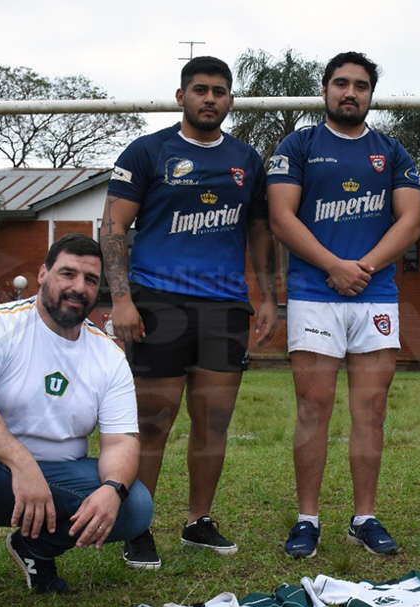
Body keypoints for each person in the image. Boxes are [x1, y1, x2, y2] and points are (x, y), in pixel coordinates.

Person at [0, 234, 153, 607]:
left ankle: (34, 548)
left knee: (135, 506)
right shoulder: (0, 324)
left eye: (91, 280)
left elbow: (122, 441)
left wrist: (113, 489)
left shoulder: (108, 356)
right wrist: (21, 463)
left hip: (57, 481)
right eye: (68, 273)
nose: (79, 287)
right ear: (43, 274)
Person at [102, 56, 278, 568]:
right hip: (157, 302)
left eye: (219, 91)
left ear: (230, 100)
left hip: (224, 307)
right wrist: (120, 297)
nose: (210, 99)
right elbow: (113, 228)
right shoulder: (148, 151)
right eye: (200, 90)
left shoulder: (247, 159)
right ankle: (138, 525)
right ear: (181, 96)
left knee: (214, 421)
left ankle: (198, 520)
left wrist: (267, 297)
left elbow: (260, 232)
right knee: (153, 421)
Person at [267, 51, 420, 558]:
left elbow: (411, 220)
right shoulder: (299, 145)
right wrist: (334, 265)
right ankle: (307, 518)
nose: (350, 92)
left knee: (370, 411)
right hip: (315, 294)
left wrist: (364, 268)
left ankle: (364, 517)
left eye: (359, 85)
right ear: (326, 89)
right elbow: (281, 216)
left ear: (371, 94)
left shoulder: (393, 151)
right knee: (313, 408)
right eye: (340, 83)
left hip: (374, 295)